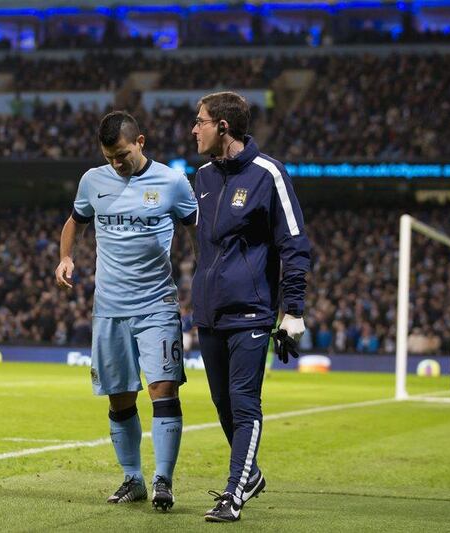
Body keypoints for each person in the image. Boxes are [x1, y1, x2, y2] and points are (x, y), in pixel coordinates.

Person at [55, 111, 197, 511]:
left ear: (141, 142)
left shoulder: (171, 182)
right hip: (110, 308)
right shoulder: (92, 181)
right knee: (119, 398)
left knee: (163, 390)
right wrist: (66, 257)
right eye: (109, 156)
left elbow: (195, 230)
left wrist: (205, 275)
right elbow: (75, 221)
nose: (116, 163)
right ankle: (132, 478)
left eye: (121, 154)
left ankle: (163, 480)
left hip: (157, 305)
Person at [190, 91, 311, 522]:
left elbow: (294, 244)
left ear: (223, 127)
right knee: (222, 403)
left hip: (252, 313)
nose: (194, 128)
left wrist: (292, 310)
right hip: (209, 313)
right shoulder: (201, 177)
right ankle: (251, 474)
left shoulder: (269, 174)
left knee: (244, 402)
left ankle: (233, 493)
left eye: (201, 121)